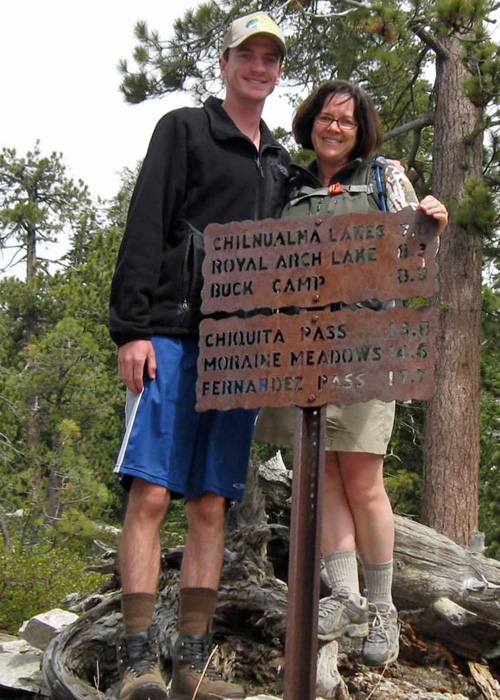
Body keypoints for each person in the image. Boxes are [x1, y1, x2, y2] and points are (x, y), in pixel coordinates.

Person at [109, 12, 290, 700]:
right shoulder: (184, 129)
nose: (258, 67)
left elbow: (326, 219)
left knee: (211, 504)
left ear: (278, 71)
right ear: (225, 62)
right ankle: (136, 663)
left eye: (270, 58)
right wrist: (132, 329)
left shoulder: (280, 162)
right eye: (248, 54)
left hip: (238, 352)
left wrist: (406, 195)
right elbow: (146, 223)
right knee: (153, 491)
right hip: (170, 334)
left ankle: (191, 666)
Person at [255, 79, 448, 667]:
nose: (334, 127)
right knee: (320, 476)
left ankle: (383, 608)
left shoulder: (383, 177)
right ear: (310, 121)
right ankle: (345, 598)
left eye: (346, 120)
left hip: (366, 346)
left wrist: (432, 222)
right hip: (301, 349)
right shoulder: (290, 183)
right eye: (326, 117)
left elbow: (418, 257)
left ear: (361, 131)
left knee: (362, 479)